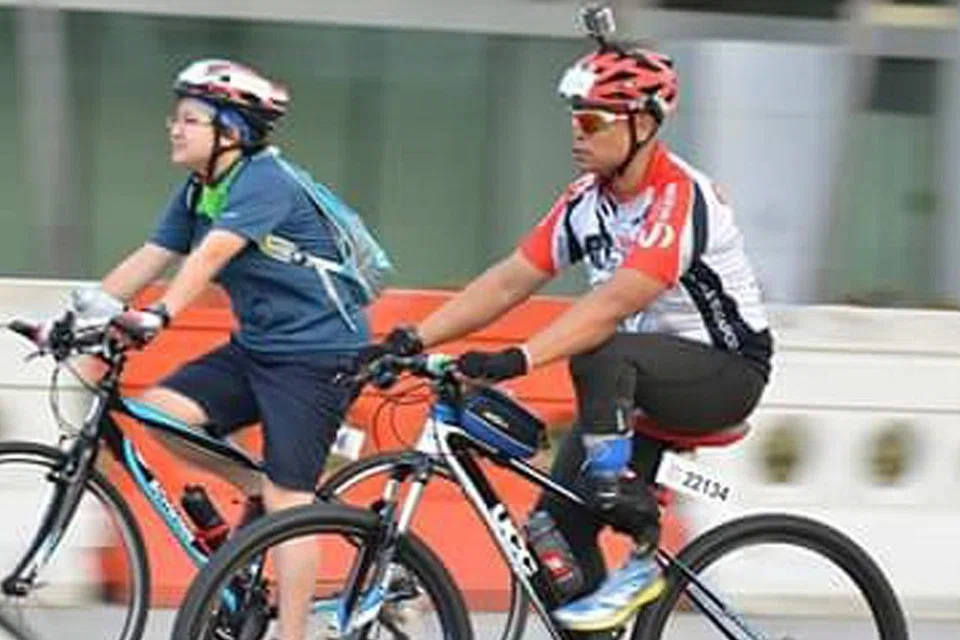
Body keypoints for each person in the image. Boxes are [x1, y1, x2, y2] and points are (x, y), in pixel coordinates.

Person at [372, 39, 773, 634]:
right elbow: (510, 280)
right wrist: (411, 338)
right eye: (573, 120)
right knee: (548, 538)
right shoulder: (587, 202)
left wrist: (518, 358)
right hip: (632, 384)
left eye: (591, 120)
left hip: (724, 373)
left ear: (642, 123)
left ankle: (639, 541)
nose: (575, 134)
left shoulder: (677, 197)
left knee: (599, 351)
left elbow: (614, 303)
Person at [59, 59, 371, 640]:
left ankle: (294, 632)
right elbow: (151, 256)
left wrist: (160, 314)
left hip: (319, 353)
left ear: (232, 131)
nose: (174, 129)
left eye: (190, 119)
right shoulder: (200, 188)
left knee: (289, 498)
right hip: (257, 347)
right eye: (175, 118)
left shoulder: (265, 181)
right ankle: (260, 488)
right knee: (164, 412)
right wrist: (72, 317)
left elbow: (208, 258)